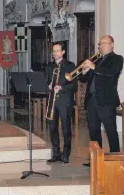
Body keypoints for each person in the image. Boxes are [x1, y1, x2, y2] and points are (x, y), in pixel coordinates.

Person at [80, 35, 123, 166]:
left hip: (106, 101)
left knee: (111, 130)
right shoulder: (97, 61)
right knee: (93, 131)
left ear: (112, 45)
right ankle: (95, 160)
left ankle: (116, 159)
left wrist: (93, 67)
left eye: (104, 43)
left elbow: (110, 73)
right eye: (99, 44)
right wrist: (84, 71)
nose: (100, 46)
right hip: (92, 100)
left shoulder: (117, 59)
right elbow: (83, 80)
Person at [46, 42, 76, 164]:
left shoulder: (70, 65)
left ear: (63, 52)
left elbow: (74, 86)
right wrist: (48, 86)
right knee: (52, 127)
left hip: (65, 101)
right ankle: (56, 153)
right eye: (53, 51)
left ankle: (66, 154)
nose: (55, 53)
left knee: (66, 128)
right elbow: (46, 82)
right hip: (52, 100)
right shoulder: (49, 66)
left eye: (58, 50)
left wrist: (62, 88)